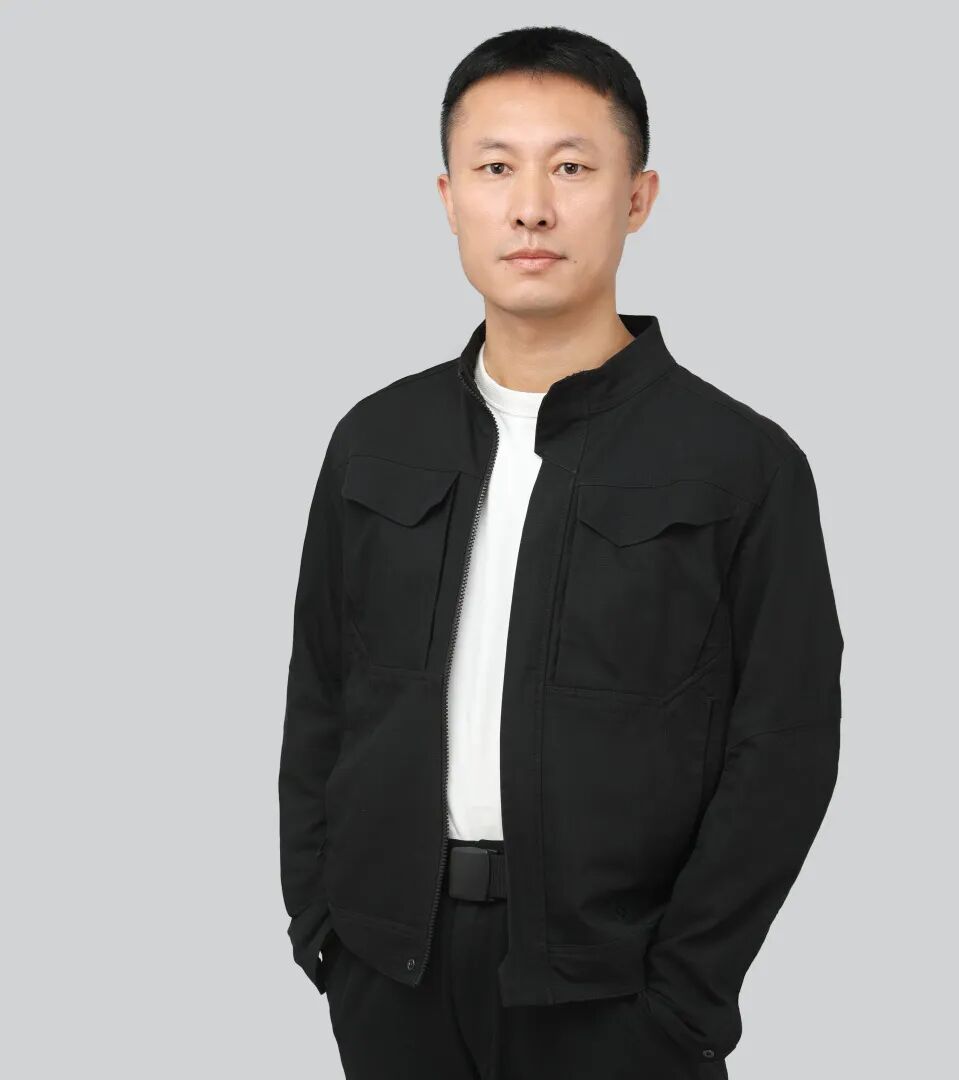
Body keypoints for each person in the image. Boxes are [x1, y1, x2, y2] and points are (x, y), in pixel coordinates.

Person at [279, 24, 844, 1080]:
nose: (531, 207)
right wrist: (324, 926)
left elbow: (787, 743)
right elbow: (323, 692)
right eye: (495, 168)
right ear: (449, 198)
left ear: (638, 197)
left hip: (618, 997)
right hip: (391, 974)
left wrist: (685, 993)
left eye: (572, 168)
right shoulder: (375, 441)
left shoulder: (739, 463)